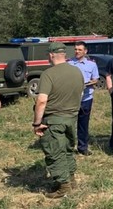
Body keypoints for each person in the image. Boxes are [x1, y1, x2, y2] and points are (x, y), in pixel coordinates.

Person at [32, 42, 84, 199]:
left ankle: (64, 186)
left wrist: (37, 123)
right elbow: (81, 93)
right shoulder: (77, 71)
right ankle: (71, 179)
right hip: (71, 118)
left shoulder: (48, 74)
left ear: (51, 55)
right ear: (64, 54)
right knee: (67, 150)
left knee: (55, 152)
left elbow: (41, 100)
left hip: (53, 120)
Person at [68, 41, 99, 156]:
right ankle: (69, 146)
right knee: (69, 124)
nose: (77, 51)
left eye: (80, 50)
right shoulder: (69, 63)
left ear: (85, 51)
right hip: (71, 98)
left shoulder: (92, 64)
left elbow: (95, 79)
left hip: (86, 98)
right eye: (76, 49)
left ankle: (82, 147)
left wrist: (89, 83)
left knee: (83, 124)